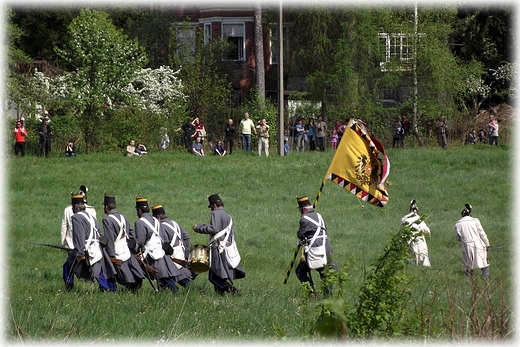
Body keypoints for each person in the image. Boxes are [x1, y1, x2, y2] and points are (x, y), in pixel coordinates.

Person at [63, 192, 117, 292]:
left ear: (75, 207)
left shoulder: (76, 218)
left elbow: (80, 237)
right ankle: (106, 288)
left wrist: (79, 253)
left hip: (86, 249)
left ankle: (69, 285)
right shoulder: (91, 217)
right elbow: (99, 234)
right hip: (96, 248)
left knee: (67, 265)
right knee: (98, 270)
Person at [193, 194, 246, 295]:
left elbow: (214, 229)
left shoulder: (215, 213)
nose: (211, 209)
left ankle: (232, 290)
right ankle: (220, 296)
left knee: (213, 277)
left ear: (214, 205)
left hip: (218, 248)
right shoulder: (227, 215)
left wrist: (199, 228)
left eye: (211, 206)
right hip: (225, 248)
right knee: (217, 275)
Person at [134, 197, 181, 293]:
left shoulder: (139, 222)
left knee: (147, 272)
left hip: (150, 253)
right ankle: (164, 291)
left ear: (139, 210)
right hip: (159, 250)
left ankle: (133, 289)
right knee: (161, 275)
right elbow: (163, 237)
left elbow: (141, 241)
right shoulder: (156, 220)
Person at [295, 196, 337, 295]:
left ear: (304, 209)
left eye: (300, 209)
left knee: (300, 271)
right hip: (326, 248)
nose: (300, 211)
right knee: (327, 274)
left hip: (315, 249)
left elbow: (300, 235)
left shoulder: (304, 219)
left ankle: (311, 294)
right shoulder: (319, 215)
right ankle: (328, 299)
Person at [102, 194, 144, 291]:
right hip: (126, 248)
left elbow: (110, 238)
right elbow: (131, 233)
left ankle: (111, 289)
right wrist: (134, 247)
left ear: (106, 207)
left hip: (116, 249)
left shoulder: (107, 220)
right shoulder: (123, 217)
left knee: (108, 268)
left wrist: (111, 256)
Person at [152, 205, 194, 287]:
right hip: (180, 252)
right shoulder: (174, 223)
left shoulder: (161, 226)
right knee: (179, 276)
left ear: (158, 217)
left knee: (166, 274)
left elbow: (164, 243)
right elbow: (186, 237)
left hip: (171, 254)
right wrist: (185, 251)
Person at [455, 204, 490, 277]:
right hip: (478, 244)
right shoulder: (475, 221)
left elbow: (457, 237)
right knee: (483, 261)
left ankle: (469, 278)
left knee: (468, 263)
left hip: (466, 245)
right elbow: (482, 233)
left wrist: (462, 240)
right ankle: (485, 277)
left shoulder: (458, 224)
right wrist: (487, 243)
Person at [400, 199, 431, 266]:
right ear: (417, 211)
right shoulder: (419, 220)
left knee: (410, 261)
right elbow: (428, 232)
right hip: (420, 243)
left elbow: (400, 233)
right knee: (425, 261)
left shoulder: (404, 220)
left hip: (409, 244)